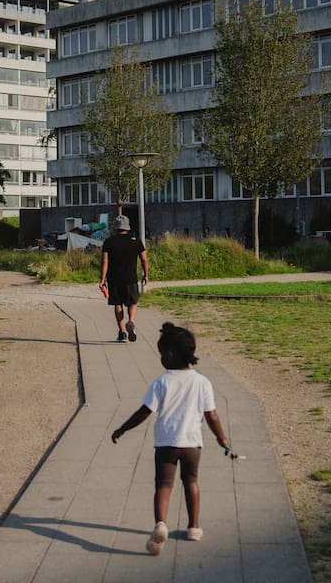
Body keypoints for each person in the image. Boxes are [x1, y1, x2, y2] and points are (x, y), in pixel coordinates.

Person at [110, 322, 231, 555]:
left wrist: (123, 429)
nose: (161, 359)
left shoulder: (162, 382)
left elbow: (144, 412)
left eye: (161, 354)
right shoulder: (202, 382)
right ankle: (193, 527)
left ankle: (161, 524)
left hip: (166, 443)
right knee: (191, 482)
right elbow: (212, 415)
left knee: (163, 485)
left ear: (171, 354)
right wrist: (222, 438)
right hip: (192, 444)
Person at [99, 214, 148, 342]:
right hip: (131, 278)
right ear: (127, 226)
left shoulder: (109, 241)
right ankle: (130, 321)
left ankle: (122, 333)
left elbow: (105, 262)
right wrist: (146, 275)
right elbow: (144, 259)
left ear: (115, 227)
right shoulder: (136, 240)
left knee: (118, 304)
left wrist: (102, 280)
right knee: (133, 302)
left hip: (114, 279)